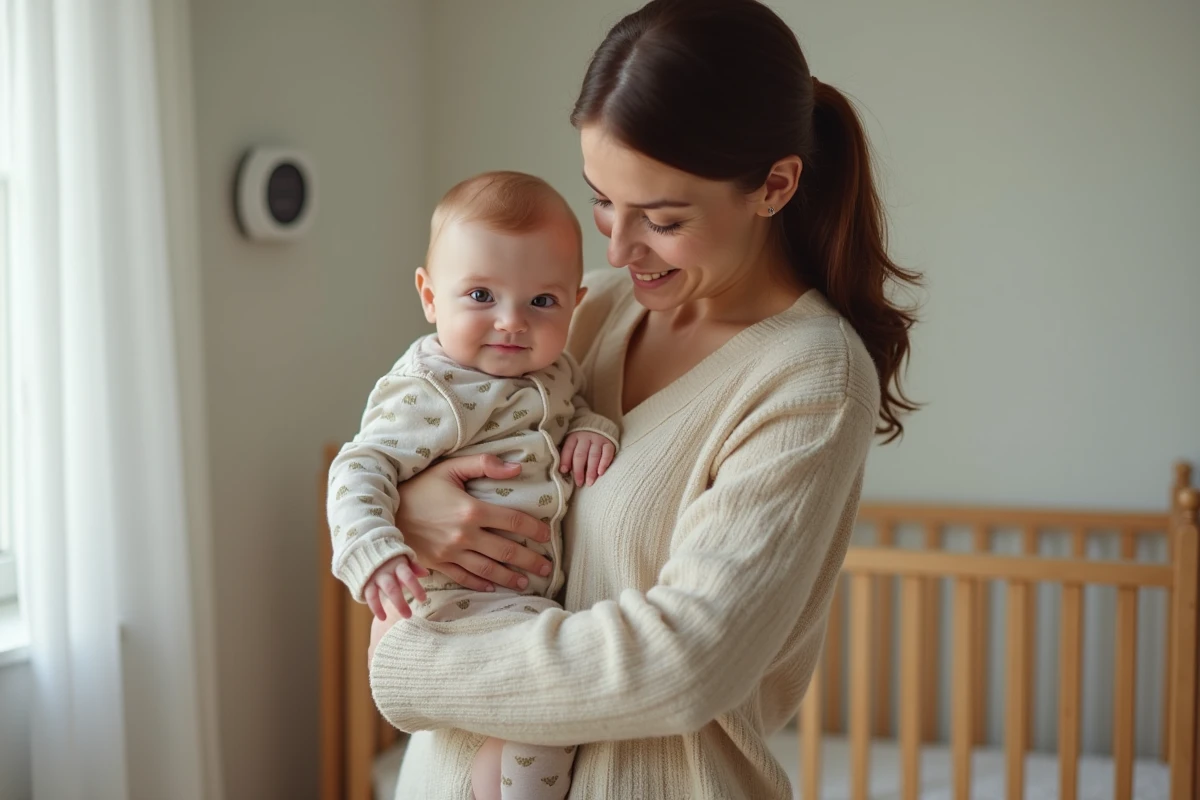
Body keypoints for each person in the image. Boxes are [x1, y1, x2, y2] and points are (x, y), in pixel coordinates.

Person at [367, 1, 920, 797]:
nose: (617, 248)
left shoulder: (810, 379)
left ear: (774, 186)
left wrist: (410, 662)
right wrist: (412, 504)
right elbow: (420, 448)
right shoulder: (580, 309)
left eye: (660, 219)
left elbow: (685, 664)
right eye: (600, 200)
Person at [328, 171, 620, 800]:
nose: (511, 322)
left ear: (575, 299)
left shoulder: (557, 371)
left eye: (542, 302)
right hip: (457, 602)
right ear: (431, 298)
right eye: (481, 294)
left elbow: (568, 416)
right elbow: (359, 467)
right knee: (556, 708)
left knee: (545, 723)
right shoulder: (435, 389)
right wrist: (374, 551)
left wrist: (594, 429)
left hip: (517, 603)